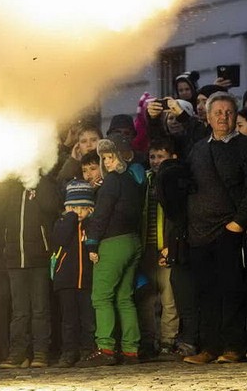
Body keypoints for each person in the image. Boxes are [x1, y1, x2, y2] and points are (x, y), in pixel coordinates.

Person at [180, 93, 247, 365]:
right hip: (200, 232)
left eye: (228, 112)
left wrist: (239, 222)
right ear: (208, 116)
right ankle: (209, 347)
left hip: (231, 229)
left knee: (232, 290)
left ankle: (234, 346)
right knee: (205, 292)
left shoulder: (246, 147)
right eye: (218, 112)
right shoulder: (198, 148)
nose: (223, 117)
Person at [79, 138, 146, 366]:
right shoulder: (134, 181)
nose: (107, 162)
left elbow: (102, 215)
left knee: (101, 297)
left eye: (110, 156)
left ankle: (105, 348)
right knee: (125, 298)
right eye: (104, 158)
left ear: (121, 156)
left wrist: (92, 243)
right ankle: (131, 350)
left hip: (113, 243)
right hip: (133, 241)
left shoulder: (112, 182)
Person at [0, 174, 60, 369]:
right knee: (19, 311)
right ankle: (18, 353)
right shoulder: (9, 187)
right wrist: (3, 183)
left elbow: (51, 205)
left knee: (40, 308)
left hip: (39, 256)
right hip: (14, 257)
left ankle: (41, 352)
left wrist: (36, 183)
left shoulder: (44, 183)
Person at [140, 137, 180, 356]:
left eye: (160, 156)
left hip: (165, 248)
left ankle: (167, 340)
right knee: (146, 298)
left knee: (169, 298)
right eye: (152, 156)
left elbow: (175, 217)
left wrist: (169, 246)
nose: (155, 161)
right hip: (146, 247)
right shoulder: (145, 181)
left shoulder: (172, 180)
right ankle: (148, 340)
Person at [49, 180, 96, 368]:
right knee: (69, 320)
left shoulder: (92, 224)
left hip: (87, 279)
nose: (77, 212)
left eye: (82, 207)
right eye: (73, 207)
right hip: (66, 280)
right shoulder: (62, 223)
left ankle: (87, 350)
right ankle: (69, 352)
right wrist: (69, 219)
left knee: (88, 318)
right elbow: (59, 239)